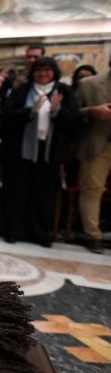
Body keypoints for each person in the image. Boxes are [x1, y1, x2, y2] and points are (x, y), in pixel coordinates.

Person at [0, 57, 81, 246]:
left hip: (49, 152)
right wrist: (30, 111)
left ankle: (41, 233)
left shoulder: (64, 91)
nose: (43, 74)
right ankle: (13, 230)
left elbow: (75, 122)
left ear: (54, 72)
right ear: (33, 73)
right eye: (39, 70)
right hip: (21, 151)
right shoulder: (22, 91)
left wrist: (57, 111)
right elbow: (6, 117)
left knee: (44, 194)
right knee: (17, 191)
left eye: (47, 70)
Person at [75, 55, 111, 254]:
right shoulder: (89, 84)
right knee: (92, 189)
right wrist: (92, 111)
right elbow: (73, 112)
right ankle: (93, 235)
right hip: (99, 144)